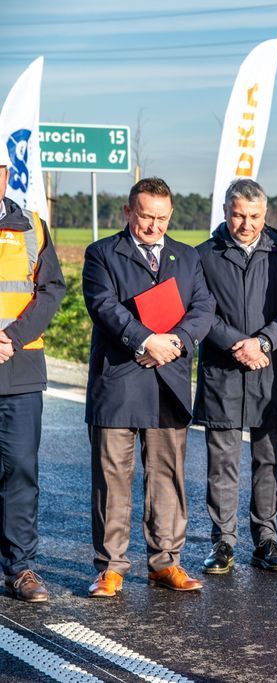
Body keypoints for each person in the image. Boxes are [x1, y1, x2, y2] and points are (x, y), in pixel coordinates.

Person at [82, 177, 215, 596]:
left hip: (167, 381)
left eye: (162, 218)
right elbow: (104, 307)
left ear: (170, 215)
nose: (154, 226)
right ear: (128, 212)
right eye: (145, 217)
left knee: (167, 478)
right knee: (112, 480)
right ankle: (110, 568)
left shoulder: (187, 257)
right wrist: (145, 341)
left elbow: (204, 307)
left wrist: (174, 342)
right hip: (118, 381)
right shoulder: (101, 253)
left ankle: (165, 563)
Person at [194, 179, 277, 575]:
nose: (246, 224)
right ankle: (223, 542)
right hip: (223, 369)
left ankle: (267, 541)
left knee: (270, 461)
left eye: (254, 216)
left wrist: (263, 341)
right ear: (226, 211)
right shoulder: (203, 255)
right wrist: (235, 344)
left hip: (270, 368)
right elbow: (200, 311)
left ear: (266, 214)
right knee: (222, 462)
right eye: (239, 215)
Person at [0, 161, 66, 603]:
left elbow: (51, 289)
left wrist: (12, 337)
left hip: (19, 368)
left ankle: (19, 567)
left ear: (5, 175)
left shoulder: (32, 227)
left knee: (21, 471)